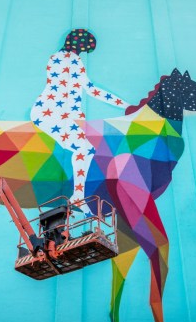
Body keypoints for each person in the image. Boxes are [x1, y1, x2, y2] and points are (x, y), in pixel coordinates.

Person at [31, 28, 128, 206]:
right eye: (84, 50)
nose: (83, 54)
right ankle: (77, 196)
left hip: (54, 113)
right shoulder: (72, 60)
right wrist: (124, 105)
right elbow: (90, 89)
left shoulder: (56, 57)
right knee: (84, 149)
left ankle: (78, 195)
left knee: (86, 148)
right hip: (52, 114)